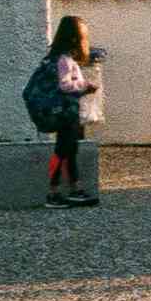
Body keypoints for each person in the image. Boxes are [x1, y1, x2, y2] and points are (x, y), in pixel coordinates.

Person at [33, 15, 101, 207]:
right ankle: (53, 192)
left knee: (70, 150)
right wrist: (85, 85)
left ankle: (74, 189)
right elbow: (64, 86)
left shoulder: (55, 58)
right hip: (64, 113)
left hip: (65, 112)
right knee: (63, 151)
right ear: (74, 37)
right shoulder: (64, 60)